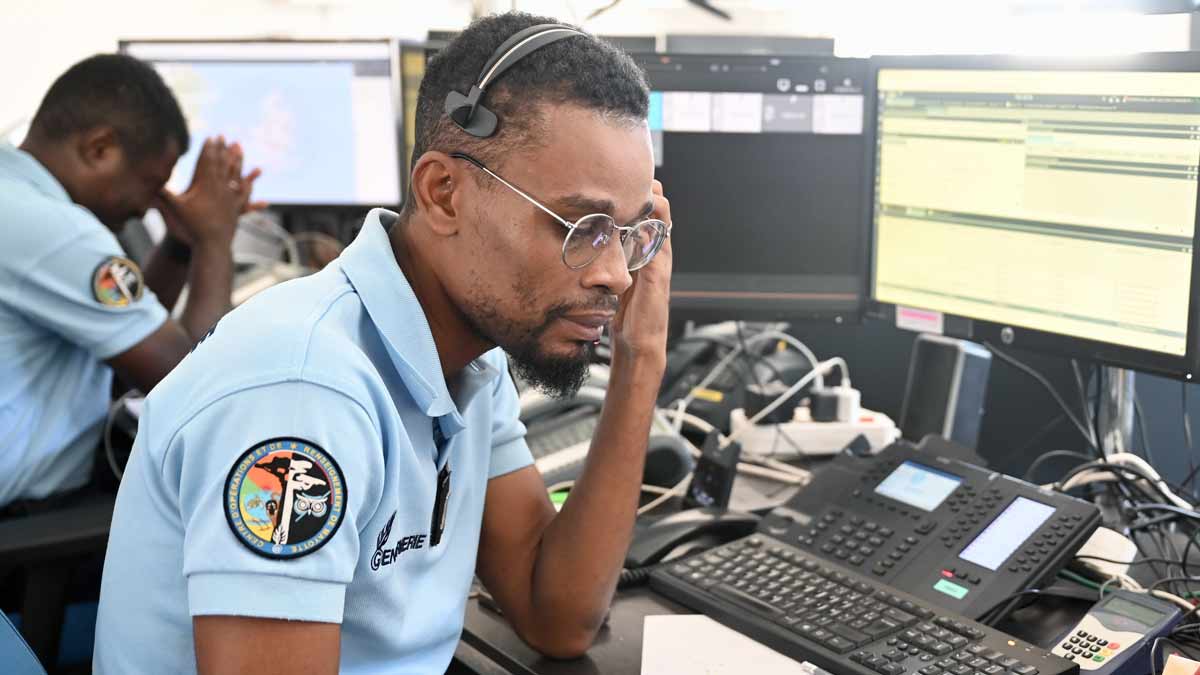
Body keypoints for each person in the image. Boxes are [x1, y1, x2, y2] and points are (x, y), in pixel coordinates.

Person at [95, 11, 673, 674]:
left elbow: (558, 614)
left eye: (631, 232)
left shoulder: (471, 359)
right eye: (581, 224)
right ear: (444, 193)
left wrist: (640, 355)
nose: (615, 273)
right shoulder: (304, 391)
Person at [0, 53, 261, 510]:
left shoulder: (16, 197)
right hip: (31, 529)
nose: (146, 208)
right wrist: (215, 237)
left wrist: (180, 246)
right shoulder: (57, 232)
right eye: (149, 184)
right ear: (99, 148)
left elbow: (126, 328)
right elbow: (195, 385)